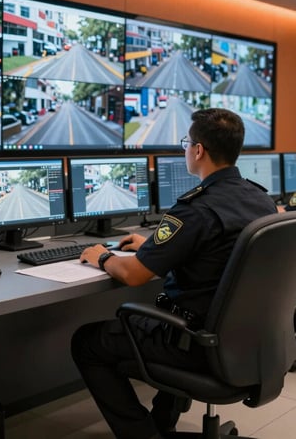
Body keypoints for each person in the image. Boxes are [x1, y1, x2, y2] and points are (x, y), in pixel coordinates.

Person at [71, 108, 278, 439]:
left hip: (197, 345)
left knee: (86, 342)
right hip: (247, 343)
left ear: (198, 151)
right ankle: (161, 424)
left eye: (187, 143)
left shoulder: (194, 208)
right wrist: (151, 245)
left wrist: (103, 256)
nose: (186, 149)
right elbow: (217, 252)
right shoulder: (261, 199)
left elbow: (136, 276)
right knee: (178, 313)